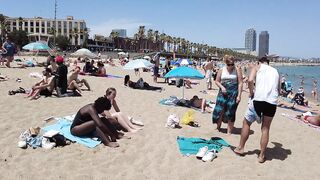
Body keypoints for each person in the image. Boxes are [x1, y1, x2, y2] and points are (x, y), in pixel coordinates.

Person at [234, 57, 280, 163]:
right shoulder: (276, 71)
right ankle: (262, 155)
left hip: (258, 100)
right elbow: (279, 89)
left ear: (259, 62)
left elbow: (250, 80)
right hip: (271, 102)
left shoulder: (257, 67)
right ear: (269, 63)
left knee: (246, 123)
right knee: (265, 128)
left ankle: (241, 148)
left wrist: (251, 92)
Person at [212, 55, 243, 134]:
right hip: (222, 93)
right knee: (220, 110)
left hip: (233, 93)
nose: (231, 66)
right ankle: (218, 127)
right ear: (225, 63)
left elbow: (240, 83)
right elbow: (217, 81)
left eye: (232, 64)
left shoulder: (237, 70)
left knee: (231, 111)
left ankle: (229, 131)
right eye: (228, 64)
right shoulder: (221, 70)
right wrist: (222, 87)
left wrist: (239, 95)